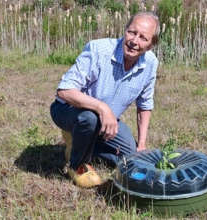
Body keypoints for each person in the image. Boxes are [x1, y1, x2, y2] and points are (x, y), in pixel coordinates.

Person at [49, 12, 160, 188]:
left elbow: (144, 105)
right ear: (125, 30)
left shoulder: (151, 64)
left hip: (106, 121)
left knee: (129, 159)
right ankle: (77, 165)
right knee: (89, 118)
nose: (134, 41)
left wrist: (142, 144)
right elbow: (64, 91)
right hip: (68, 110)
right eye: (132, 32)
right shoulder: (98, 49)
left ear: (151, 45)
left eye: (143, 38)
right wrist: (103, 108)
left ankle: (85, 145)